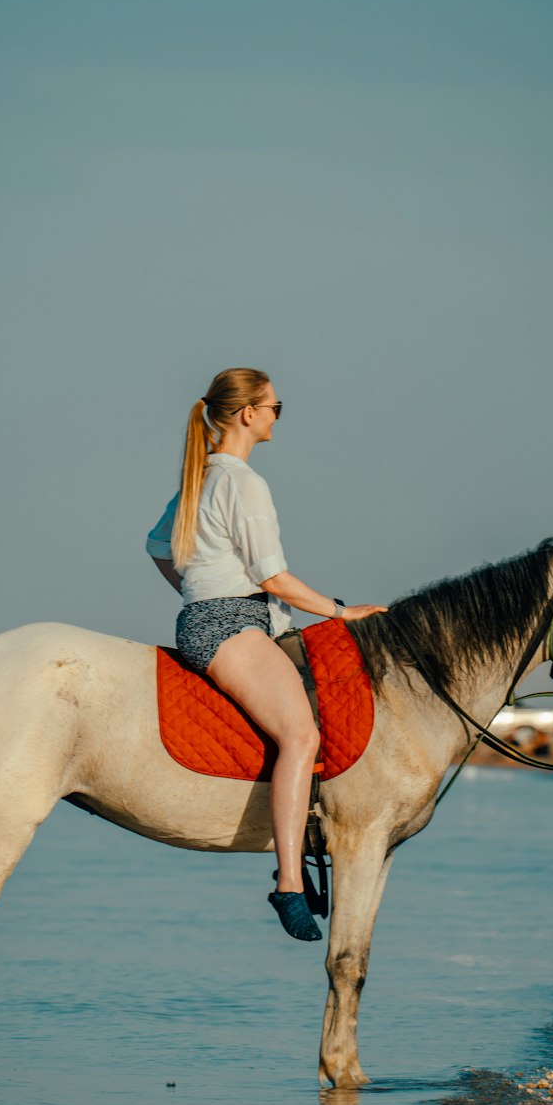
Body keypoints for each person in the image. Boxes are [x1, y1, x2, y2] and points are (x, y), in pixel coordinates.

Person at [147, 367, 387, 942]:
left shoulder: (201, 475)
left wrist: (196, 590)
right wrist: (339, 610)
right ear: (249, 414)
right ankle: (288, 884)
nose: (279, 415)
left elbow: (157, 548)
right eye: (277, 406)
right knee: (301, 737)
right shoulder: (243, 482)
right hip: (232, 622)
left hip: (217, 616)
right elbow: (273, 577)